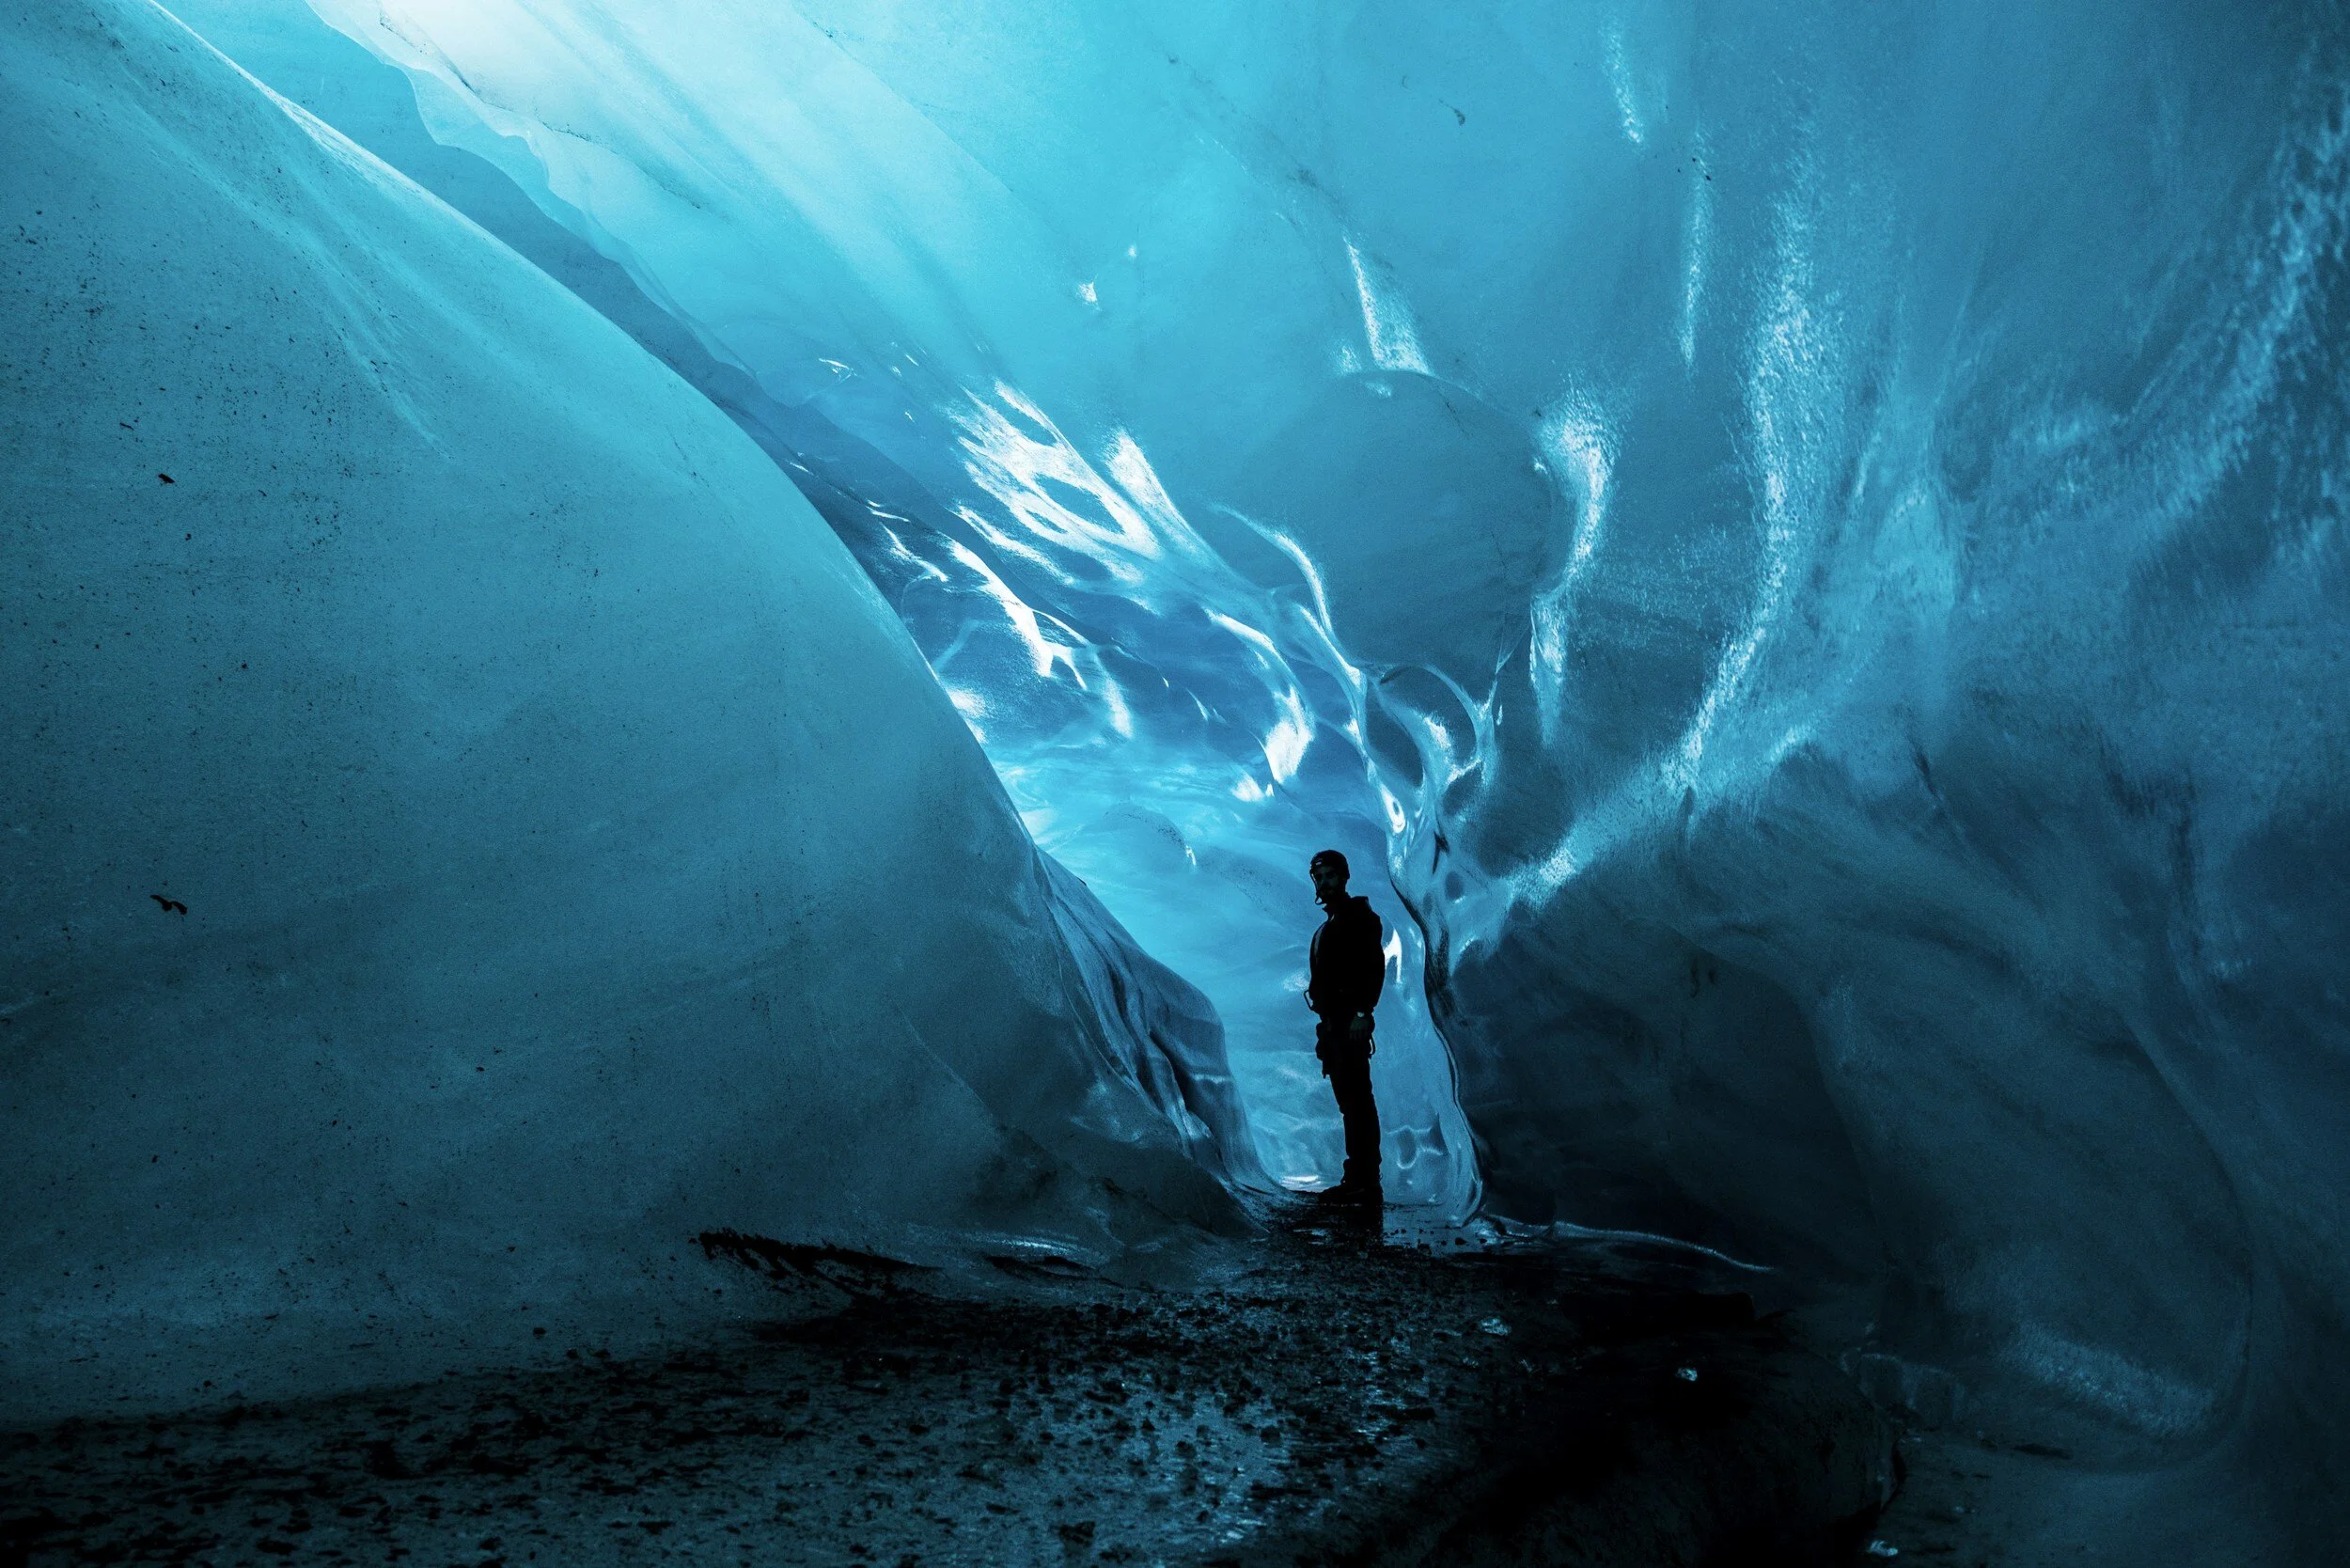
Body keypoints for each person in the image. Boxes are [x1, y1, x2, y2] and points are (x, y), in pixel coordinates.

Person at [1306, 849, 1385, 1204]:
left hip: (1349, 1022)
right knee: (1350, 1103)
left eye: (1330, 876)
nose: (1324, 883)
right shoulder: (1330, 926)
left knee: (1357, 1102)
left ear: (1344, 877)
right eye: (1319, 878)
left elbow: (1372, 966)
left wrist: (1362, 1012)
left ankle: (1365, 1181)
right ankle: (1358, 1178)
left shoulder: (1359, 918)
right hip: (1334, 1025)